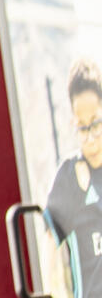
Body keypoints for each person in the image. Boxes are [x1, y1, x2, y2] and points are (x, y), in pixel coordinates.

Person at [46, 58, 102, 298]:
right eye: (82, 127)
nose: (90, 137)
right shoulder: (68, 179)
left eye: (96, 124)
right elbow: (51, 258)